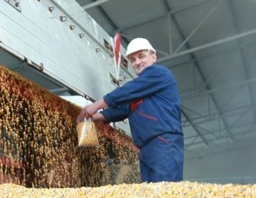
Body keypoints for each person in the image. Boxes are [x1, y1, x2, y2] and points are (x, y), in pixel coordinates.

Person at [77, 37, 184, 182]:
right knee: (150, 193)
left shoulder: (160, 74)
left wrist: (95, 105)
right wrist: (91, 117)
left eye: (141, 56)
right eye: (133, 59)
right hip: (146, 148)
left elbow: (126, 91)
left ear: (154, 57)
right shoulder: (141, 89)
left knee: (165, 190)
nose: (137, 62)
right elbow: (121, 110)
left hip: (163, 142)